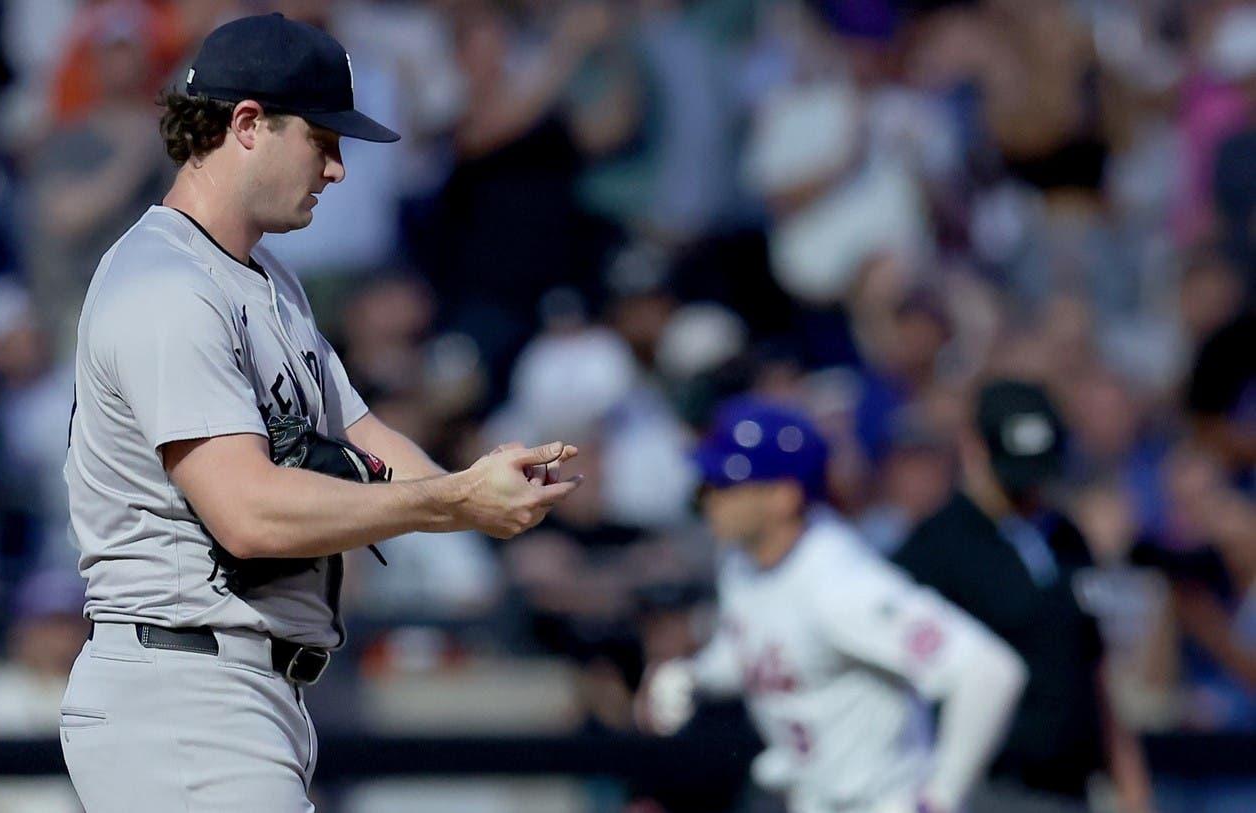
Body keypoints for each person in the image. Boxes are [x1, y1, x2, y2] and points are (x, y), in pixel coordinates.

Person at [58, 14, 583, 812]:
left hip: (238, 691)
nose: (338, 168)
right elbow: (247, 514)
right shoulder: (165, 285)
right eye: (323, 138)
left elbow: (364, 438)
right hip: (181, 693)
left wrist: (480, 492)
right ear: (247, 124)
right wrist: (450, 500)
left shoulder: (263, 278)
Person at [640, 397, 1027, 813]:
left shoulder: (840, 584)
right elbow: (763, 648)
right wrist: (697, 677)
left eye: (727, 484)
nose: (709, 496)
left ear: (783, 497)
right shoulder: (742, 561)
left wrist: (941, 797)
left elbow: (989, 672)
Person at [893, 380, 1154, 812]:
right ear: (974, 447)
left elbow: (1091, 666)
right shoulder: (933, 550)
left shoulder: (1067, 537)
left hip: (1070, 788)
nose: (1028, 489)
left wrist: (1132, 785)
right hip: (984, 787)